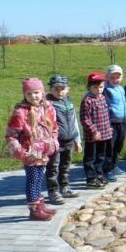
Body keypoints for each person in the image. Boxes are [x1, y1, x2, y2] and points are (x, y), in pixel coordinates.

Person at [5, 78, 59, 221]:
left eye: (36, 92)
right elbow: (11, 134)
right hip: (30, 153)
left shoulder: (47, 108)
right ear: (25, 95)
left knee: (39, 179)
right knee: (33, 180)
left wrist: (54, 142)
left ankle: (40, 205)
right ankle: (34, 210)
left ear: (42, 93)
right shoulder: (21, 112)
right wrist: (20, 152)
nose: (33, 96)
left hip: (44, 152)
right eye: (29, 94)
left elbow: (54, 127)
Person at [45, 75, 82, 204]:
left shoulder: (69, 102)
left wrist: (77, 140)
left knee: (65, 166)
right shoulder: (47, 104)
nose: (60, 92)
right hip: (54, 142)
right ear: (50, 89)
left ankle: (65, 187)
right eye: (56, 89)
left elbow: (74, 121)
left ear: (68, 89)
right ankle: (53, 191)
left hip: (69, 139)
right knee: (53, 167)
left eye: (63, 89)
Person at [80, 72, 113, 188]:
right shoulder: (87, 100)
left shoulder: (103, 97)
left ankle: (99, 174)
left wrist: (109, 128)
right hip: (93, 136)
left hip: (104, 133)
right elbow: (85, 119)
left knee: (101, 156)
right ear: (89, 87)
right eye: (95, 87)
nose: (98, 90)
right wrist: (94, 131)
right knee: (91, 157)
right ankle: (91, 178)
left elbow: (106, 115)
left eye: (101, 87)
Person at [103, 64, 126, 181]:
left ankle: (114, 166)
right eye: (112, 77)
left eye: (118, 77)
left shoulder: (121, 89)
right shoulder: (107, 90)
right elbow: (106, 108)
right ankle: (107, 170)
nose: (115, 80)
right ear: (107, 77)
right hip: (112, 123)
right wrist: (108, 124)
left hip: (122, 122)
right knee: (110, 147)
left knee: (119, 146)